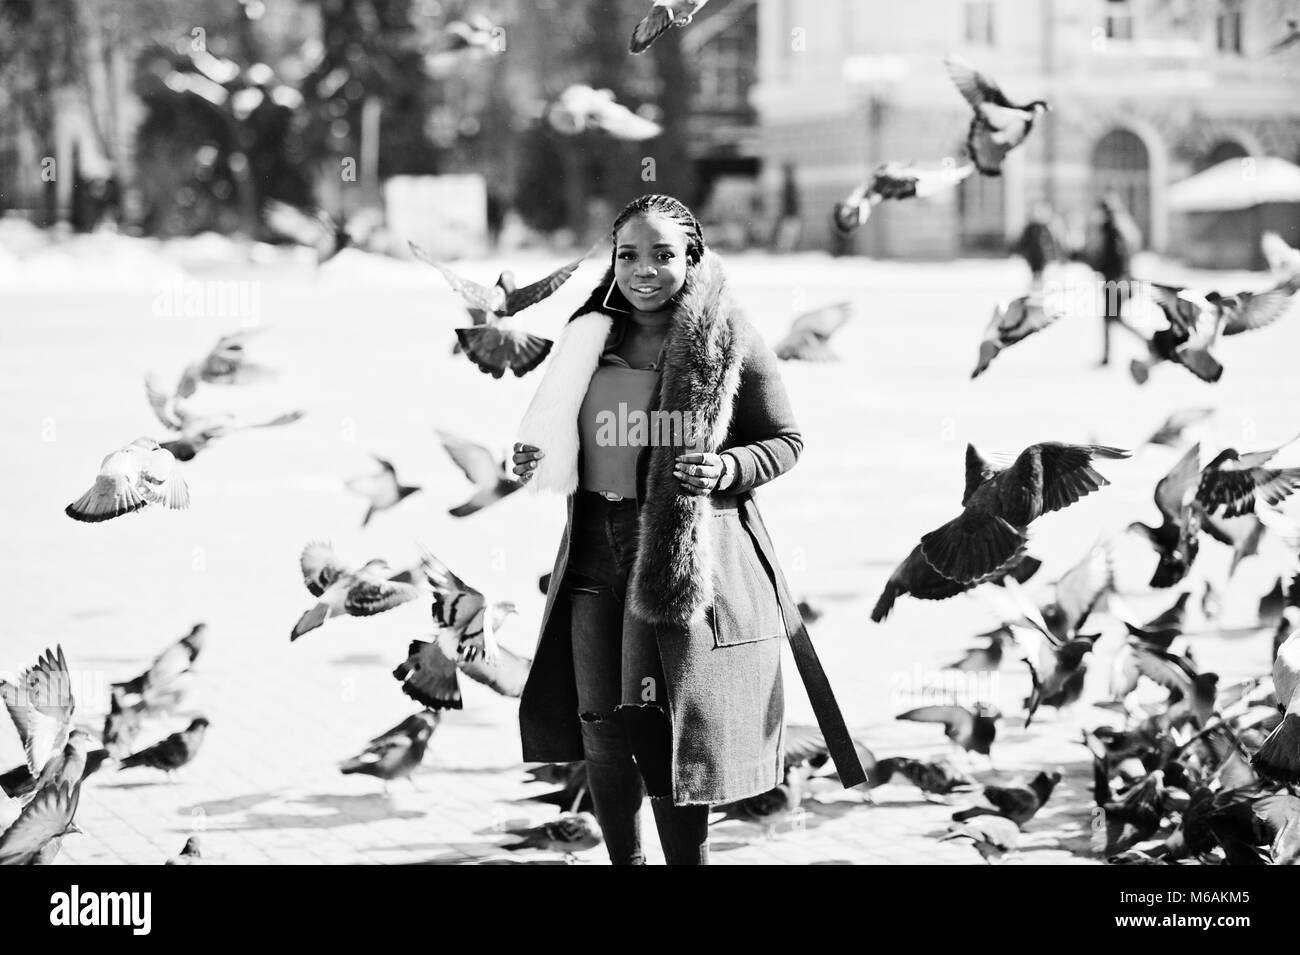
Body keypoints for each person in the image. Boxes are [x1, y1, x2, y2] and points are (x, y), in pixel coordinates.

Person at [511, 193, 862, 865]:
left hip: (673, 554)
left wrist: (728, 464)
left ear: (692, 257)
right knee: (601, 725)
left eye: (663, 255)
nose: (643, 270)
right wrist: (537, 454)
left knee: (664, 728)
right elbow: (561, 430)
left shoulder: (725, 337)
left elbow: (785, 440)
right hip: (592, 548)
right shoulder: (590, 333)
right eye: (628, 255)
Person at [1087, 192, 1142, 366]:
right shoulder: (1116, 228)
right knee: (1112, 318)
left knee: (1112, 318)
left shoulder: (1113, 230)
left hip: (1116, 282)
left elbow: (1118, 258)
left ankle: (1148, 342)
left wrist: (1116, 276)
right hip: (1116, 280)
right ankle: (1108, 356)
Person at [1011, 199, 1065, 288]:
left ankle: (1038, 286)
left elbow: (1053, 244)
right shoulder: (1031, 228)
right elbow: (1023, 242)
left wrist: (1058, 256)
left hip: (1044, 260)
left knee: (1043, 276)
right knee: (1036, 274)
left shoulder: (1046, 228)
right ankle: (1035, 287)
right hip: (1033, 257)